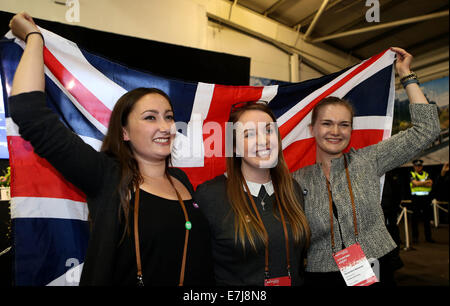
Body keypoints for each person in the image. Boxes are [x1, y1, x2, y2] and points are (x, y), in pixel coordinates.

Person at [8, 12, 214, 286]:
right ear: (125, 132)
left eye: (168, 116)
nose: (165, 126)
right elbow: (30, 114)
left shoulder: (181, 182)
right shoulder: (106, 175)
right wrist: (35, 38)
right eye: (150, 117)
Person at [292, 47, 441, 286]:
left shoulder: (369, 159)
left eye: (344, 124)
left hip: (377, 264)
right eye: (327, 123)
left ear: (351, 130)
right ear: (312, 129)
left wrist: (406, 75)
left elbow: (427, 130)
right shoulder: (296, 179)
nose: (335, 132)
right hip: (319, 274)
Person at [195, 101, 310, 286]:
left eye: (268, 131)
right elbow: (198, 268)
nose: (263, 141)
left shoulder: (292, 189)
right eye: (249, 134)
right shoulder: (209, 195)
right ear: (234, 147)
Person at [409, 159, 434, 243]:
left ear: (422, 166)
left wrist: (419, 183)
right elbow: (415, 183)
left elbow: (430, 183)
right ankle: (415, 238)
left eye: (419, 166)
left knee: (427, 219)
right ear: (414, 166)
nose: (418, 167)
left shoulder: (426, 174)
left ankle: (428, 238)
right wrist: (424, 183)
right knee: (415, 219)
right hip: (416, 199)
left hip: (426, 199)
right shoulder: (412, 174)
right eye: (416, 166)